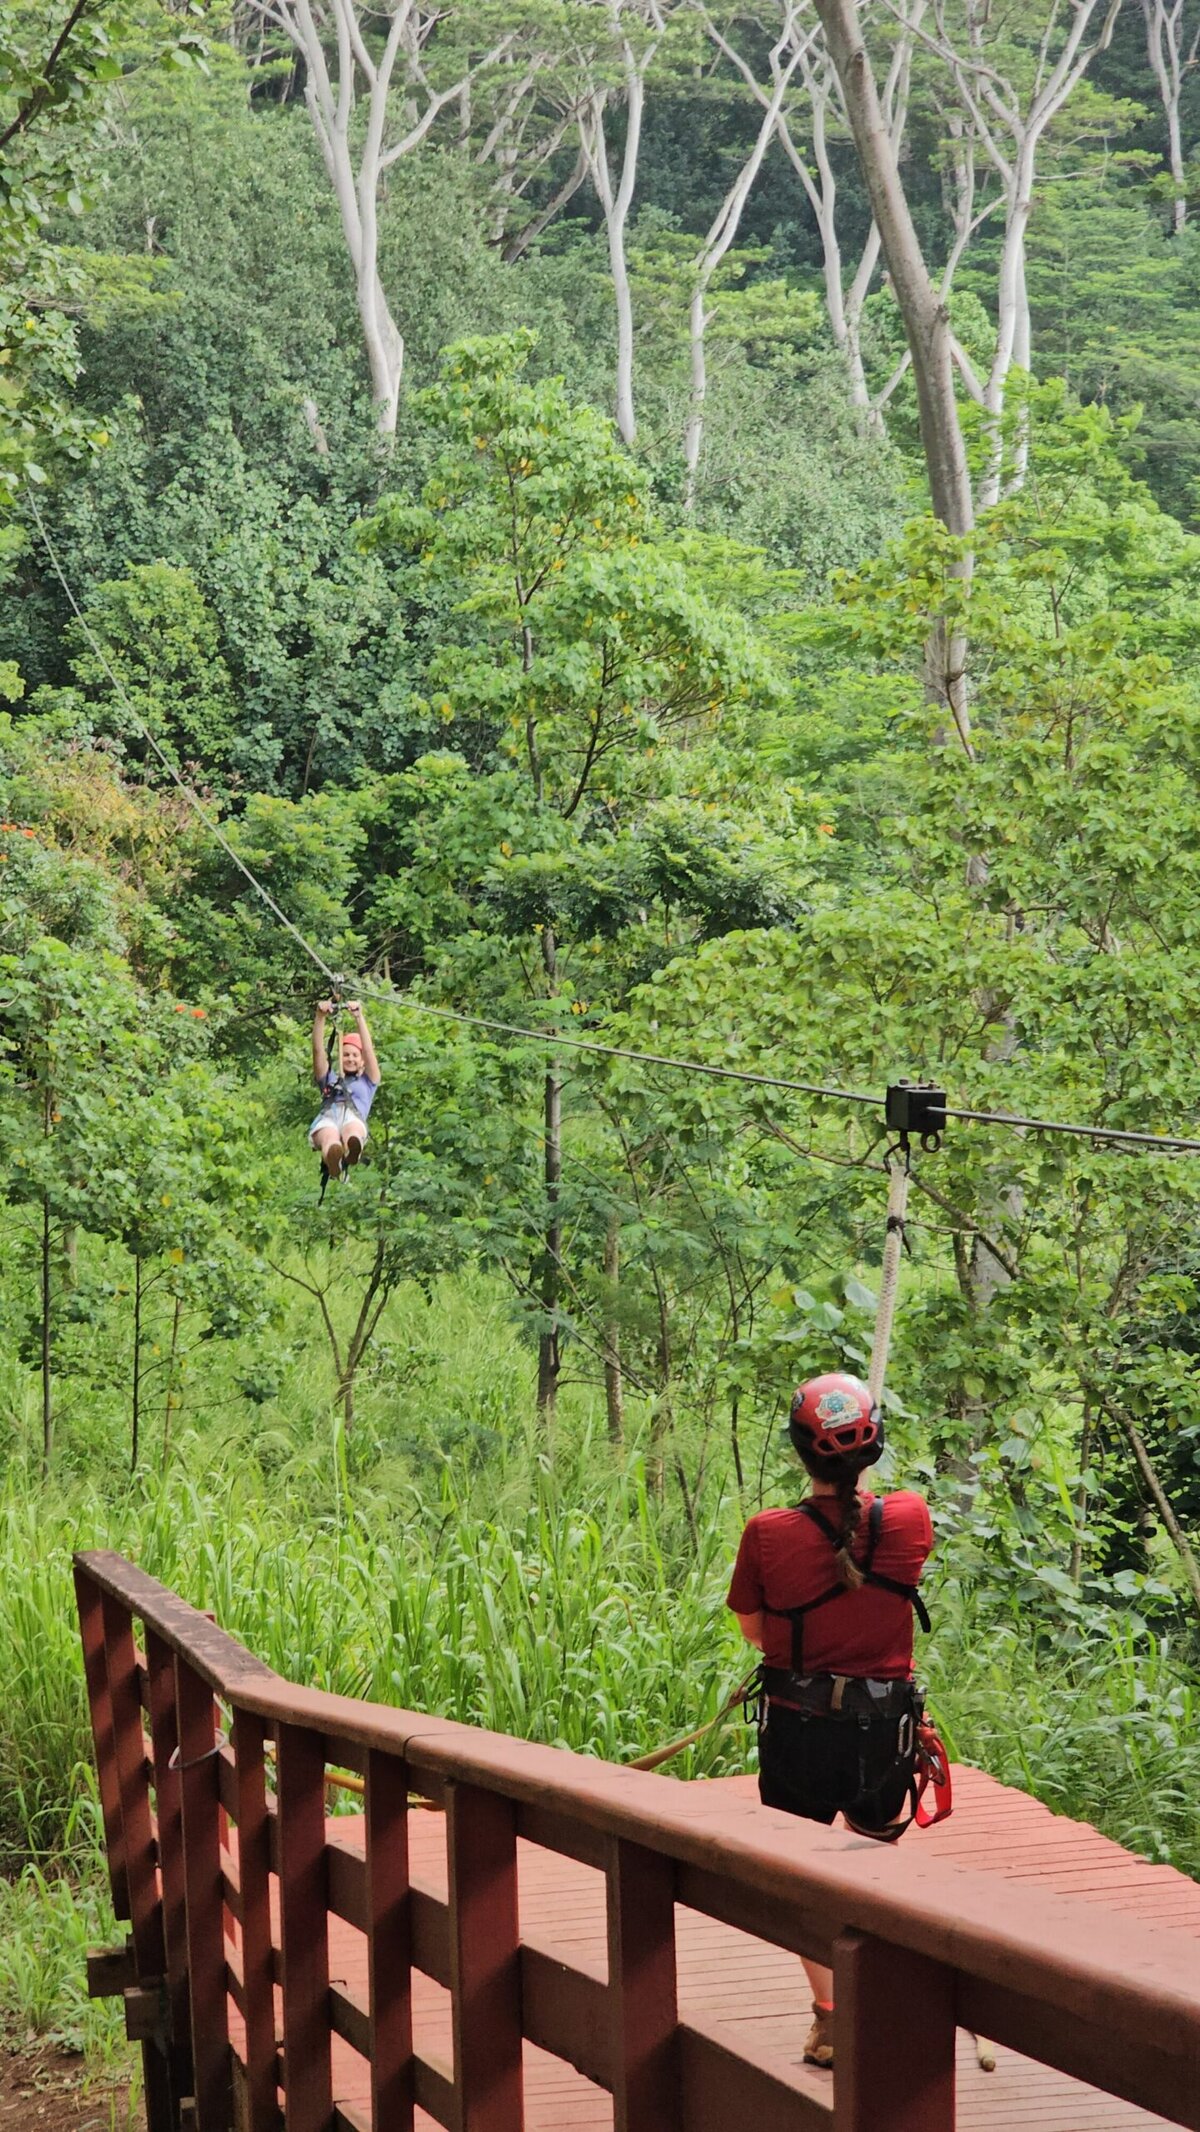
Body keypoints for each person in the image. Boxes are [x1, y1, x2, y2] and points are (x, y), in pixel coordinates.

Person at [726, 1371, 933, 2071]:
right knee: (873, 1867)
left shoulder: (769, 1534)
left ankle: (832, 2020)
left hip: (799, 1726)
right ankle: (880, 2006)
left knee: (805, 1881)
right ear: (874, 1449)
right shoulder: (909, 1517)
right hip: (883, 1729)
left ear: (797, 1452)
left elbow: (757, 1634)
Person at [310, 999, 380, 1179]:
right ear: (340, 1057)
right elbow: (318, 1051)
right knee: (329, 1135)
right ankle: (333, 1156)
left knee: (353, 1129)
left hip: (353, 1116)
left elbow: (369, 1051)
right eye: (346, 1054)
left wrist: (359, 1017)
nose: (350, 1058)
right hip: (329, 1115)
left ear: (362, 1059)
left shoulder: (368, 1081)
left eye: (355, 1055)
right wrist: (320, 1017)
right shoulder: (329, 1078)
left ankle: (352, 1147)